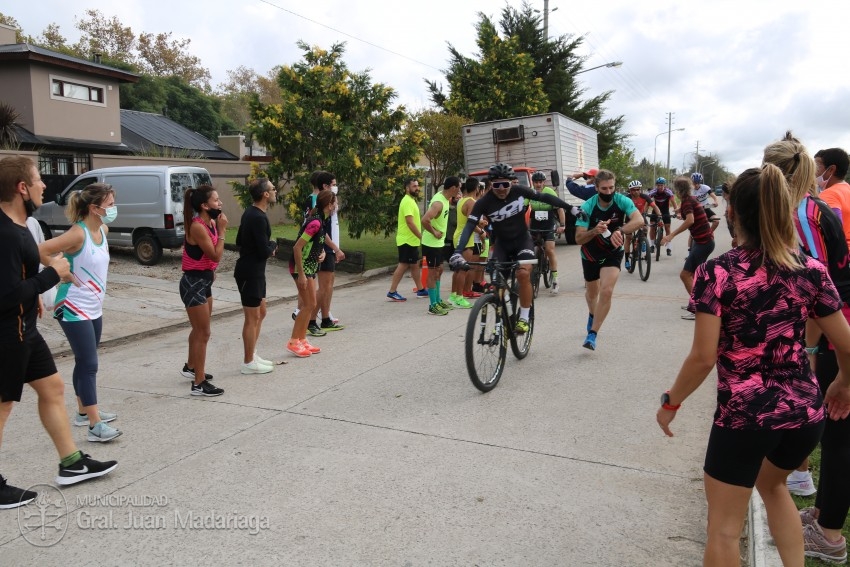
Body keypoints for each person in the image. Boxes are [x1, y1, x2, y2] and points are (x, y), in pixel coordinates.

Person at [656, 164, 850, 567]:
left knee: (723, 529)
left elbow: (703, 356)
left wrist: (671, 402)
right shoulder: (811, 271)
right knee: (773, 485)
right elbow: (847, 341)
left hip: (745, 417)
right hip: (804, 413)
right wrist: (844, 382)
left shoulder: (719, 272)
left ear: (732, 213)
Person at [0, 156, 117, 504]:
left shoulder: (20, 228)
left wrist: (35, 285)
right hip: (9, 332)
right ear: (22, 189)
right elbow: (5, 296)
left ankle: (72, 463)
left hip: (26, 329)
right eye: (37, 180)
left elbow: (17, 278)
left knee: (52, 387)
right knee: (3, 405)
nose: (43, 185)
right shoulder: (5, 234)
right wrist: (52, 276)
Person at [767, 137, 850, 562]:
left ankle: (830, 535)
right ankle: (821, 513)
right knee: (834, 428)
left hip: (839, 329)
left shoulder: (802, 212)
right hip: (836, 326)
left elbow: (821, 289)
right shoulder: (812, 207)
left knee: (838, 430)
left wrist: (812, 353)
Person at [450, 163, 572, 334]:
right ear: (491, 184)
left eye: (505, 184)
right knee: (496, 284)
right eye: (496, 185)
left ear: (511, 183)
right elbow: (469, 226)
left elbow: (546, 199)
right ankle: (502, 318)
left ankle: (523, 317)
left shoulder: (519, 191)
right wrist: (457, 252)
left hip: (522, 241)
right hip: (501, 245)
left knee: (522, 274)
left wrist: (570, 208)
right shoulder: (484, 202)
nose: (501, 189)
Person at [42, 182, 121, 442]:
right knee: (89, 364)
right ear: (94, 208)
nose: (113, 209)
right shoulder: (78, 234)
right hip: (73, 307)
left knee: (84, 360)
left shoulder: (103, 229)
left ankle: (84, 412)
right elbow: (41, 250)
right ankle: (95, 426)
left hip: (93, 306)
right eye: (110, 204)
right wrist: (58, 270)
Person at [573, 169, 644, 350]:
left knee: (607, 290)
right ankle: (592, 314)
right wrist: (594, 231)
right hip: (590, 253)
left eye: (611, 187)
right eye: (604, 189)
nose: (608, 192)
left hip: (612, 252)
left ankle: (593, 334)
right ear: (596, 188)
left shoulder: (622, 201)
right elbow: (578, 239)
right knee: (592, 294)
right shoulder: (587, 207)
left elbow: (639, 220)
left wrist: (620, 230)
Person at [180, 184, 226, 397]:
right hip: (192, 284)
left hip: (204, 282)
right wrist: (224, 231)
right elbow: (215, 255)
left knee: (199, 329)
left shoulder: (212, 223)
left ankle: (191, 367)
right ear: (204, 205)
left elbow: (210, 260)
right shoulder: (198, 226)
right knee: (203, 332)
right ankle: (198, 383)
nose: (220, 203)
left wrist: (211, 271)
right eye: (216, 200)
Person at [234, 178, 278, 375]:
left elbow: (239, 240)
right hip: (249, 272)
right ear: (265, 195)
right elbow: (263, 251)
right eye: (272, 188)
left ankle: (253, 353)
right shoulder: (257, 217)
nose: (275, 190)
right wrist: (273, 245)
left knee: (261, 312)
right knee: (252, 318)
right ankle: (248, 362)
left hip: (256, 272)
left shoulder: (252, 212)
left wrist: (266, 246)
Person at [288, 189, 336, 357]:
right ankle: (294, 341)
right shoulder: (315, 223)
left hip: (309, 267)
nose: (336, 206)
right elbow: (297, 247)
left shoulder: (321, 221)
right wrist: (300, 274)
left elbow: (314, 244)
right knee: (308, 305)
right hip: (300, 268)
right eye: (335, 203)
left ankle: (302, 340)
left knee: (311, 303)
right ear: (329, 205)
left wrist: (320, 254)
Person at [661, 176, 715, 320]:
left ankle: (698, 308)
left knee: (685, 275)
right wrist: (679, 212)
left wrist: (671, 235)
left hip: (703, 243)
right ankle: (695, 303)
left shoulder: (688, 202)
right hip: (703, 241)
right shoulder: (690, 199)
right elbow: (690, 213)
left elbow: (690, 219)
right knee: (695, 275)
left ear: (679, 190)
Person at [421, 177, 462, 316]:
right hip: (431, 243)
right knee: (432, 273)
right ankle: (432, 305)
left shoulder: (446, 200)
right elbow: (424, 220)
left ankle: (437, 300)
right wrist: (434, 232)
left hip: (439, 243)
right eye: (459, 187)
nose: (459, 190)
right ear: (452, 188)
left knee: (439, 270)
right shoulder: (438, 202)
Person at [386, 178, 427, 302]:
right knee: (403, 264)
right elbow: (410, 222)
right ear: (407, 188)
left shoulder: (411, 200)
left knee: (414, 265)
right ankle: (392, 291)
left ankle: (420, 290)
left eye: (417, 186)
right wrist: (421, 236)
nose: (417, 188)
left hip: (411, 240)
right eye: (414, 186)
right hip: (406, 240)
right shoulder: (407, 201)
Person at [529, 171, 567, 293]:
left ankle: (555, 280)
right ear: (533, 183)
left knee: (550, 250)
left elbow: (560, 209)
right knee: (529, 250)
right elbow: (523, 209)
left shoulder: (550, 192)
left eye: (540, 182)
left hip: (549, 224)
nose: (538, 184)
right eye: (536, 182)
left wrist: (562, 225)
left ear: (544, 182)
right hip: (535, 224)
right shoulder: (530, 193)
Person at [623, 180, 662, 271]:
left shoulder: (645, 197)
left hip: (640, 217)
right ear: (630, 190)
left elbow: (655, 206)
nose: (636, 191)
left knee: (645, 228)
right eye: (634, 190)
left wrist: (659, 216)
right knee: (628, 238)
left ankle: (643, 240)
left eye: (638, 189)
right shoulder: (626, 198)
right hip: (629, 218)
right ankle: (626, 260)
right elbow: (620, 210)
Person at [814, 147, 850, 246]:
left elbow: (834, 234)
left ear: (831, 170)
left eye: (817, 167)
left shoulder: (828, 195)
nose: (813, 171)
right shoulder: (847, 188)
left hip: (842, 256)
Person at [647, 177, 677, 256]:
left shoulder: (668, 192)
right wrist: (645, 211)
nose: (660, 187)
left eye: (662, 185)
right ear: (656, 185)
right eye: (658, 185)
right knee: (652, 227)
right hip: (655, 211)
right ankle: (652, 245)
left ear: (664, 185)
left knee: (667, 228)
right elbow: (647, 201)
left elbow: (674, 202)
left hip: (665, 211)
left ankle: (669, 248)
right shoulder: (653, 192)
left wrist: (677, 212)